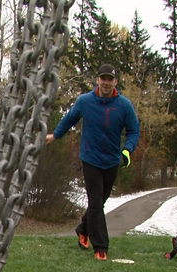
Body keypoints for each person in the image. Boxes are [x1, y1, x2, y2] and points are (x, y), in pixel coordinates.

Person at [45, 63, 140, 261]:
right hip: (90, 159)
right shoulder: (85, 101)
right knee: (96, 203)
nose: (106, 83)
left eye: (110, 79)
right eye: (103, 78)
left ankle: (82, 229)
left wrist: (127, 151)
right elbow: (69, 119)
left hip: (112, 161)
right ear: (97, 80)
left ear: (115, 82)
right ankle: (101, 247)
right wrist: (55, 135)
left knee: (99, 203)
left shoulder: (124, 105)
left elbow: (133, 131)